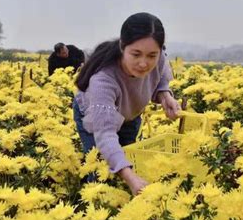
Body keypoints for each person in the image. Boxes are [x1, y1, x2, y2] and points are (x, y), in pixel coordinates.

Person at [73, 12, 180, 195]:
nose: (143, 63)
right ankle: (89, 210)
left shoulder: (159, 57)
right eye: (136, 54)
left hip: (130, 114)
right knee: (100, 169)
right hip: (97, 117)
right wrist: (130, 177)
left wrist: (165, 96)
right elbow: (105, 134)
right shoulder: (103, 81)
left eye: (151, 55)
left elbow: (160, 77)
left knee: (128, 158)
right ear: (123, 46)